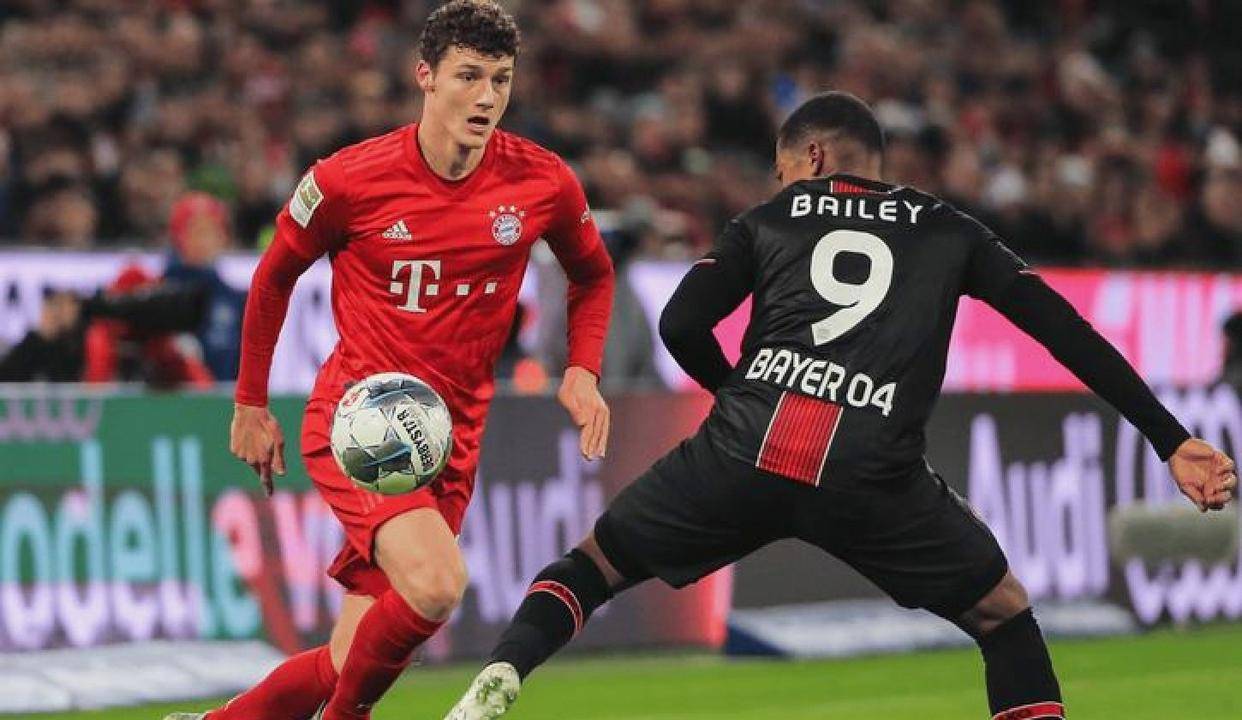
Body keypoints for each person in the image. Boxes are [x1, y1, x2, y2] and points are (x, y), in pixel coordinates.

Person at [443, 92, 1238, 720]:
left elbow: (681, 322)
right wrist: (1170, 440)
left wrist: (739, 395)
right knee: (1004, 616)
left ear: (814, 158)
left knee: (588, 568)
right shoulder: (949, 231)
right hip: (870, 470)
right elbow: (1065, 332)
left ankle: (500, 677)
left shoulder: (766, 220)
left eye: (783, 168)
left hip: (744, 449)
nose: (780, 183)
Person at [164, 2, 614, 719]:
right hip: (364, 421)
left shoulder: (542, 182)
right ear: (425, 76)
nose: (487, 96)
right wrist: (249, 403)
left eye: (500, 79)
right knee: (436, 585)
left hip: (451, 440)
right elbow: (274, 277)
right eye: (469, 76)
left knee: (350, 659)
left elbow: (592, 273)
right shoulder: (349, 179)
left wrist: (582, 369)